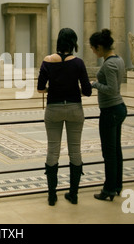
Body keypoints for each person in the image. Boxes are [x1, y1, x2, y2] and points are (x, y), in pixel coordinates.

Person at [37, 28, 92, 206]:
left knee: (53, 150)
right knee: (75, 151)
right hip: (75, 108)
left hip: (53, 108)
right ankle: (73, 194)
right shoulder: (78, 63)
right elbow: (87, 91)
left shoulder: (47, 61)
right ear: (73, 43)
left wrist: (51, 90)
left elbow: (40, 88)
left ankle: (52, 195)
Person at [89, 29, 127, 201]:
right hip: (117, 108)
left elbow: (112, 90)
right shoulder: (118, 59)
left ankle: (109, 188)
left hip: (110, 109)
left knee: (109, 152)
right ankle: (117, 185)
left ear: (99, 47)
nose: (93, 52)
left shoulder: (109, 64)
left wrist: (95, 84)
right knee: (116, 150)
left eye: (93, 48)